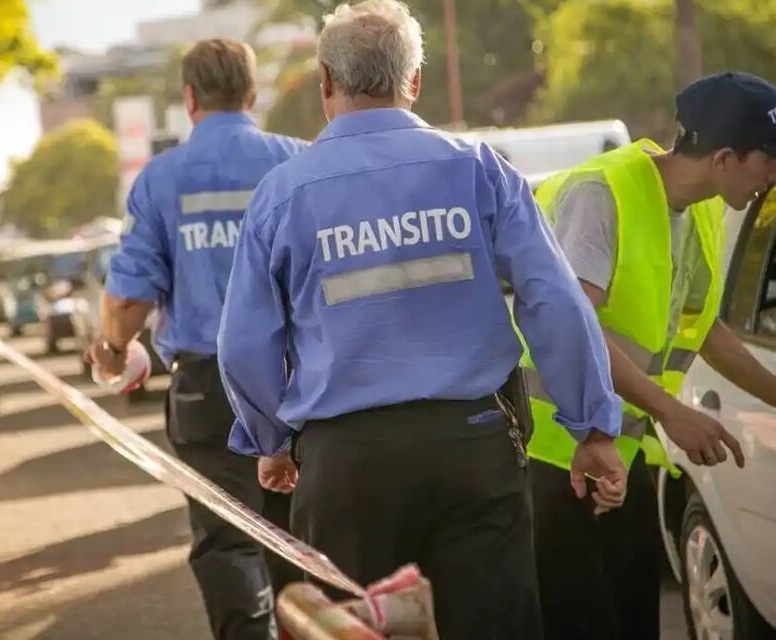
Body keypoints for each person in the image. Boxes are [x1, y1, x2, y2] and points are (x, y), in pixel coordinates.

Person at [216, 1, 627, 638]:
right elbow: (555, 301)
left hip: (345, 464)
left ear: (326, 81)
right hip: (474, 445)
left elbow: (243, 343)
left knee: (354, 631)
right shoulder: (478, 169)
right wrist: (593, 427)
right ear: (415, 82)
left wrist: (271, 438)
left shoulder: (283, 193)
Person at [526, 71, 776, 640]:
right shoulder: (601, 194)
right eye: (768, 160)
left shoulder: (704, 210)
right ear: (725, 158)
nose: (772, 176)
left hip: (620, 448)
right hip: (553, 456)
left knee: (633, 619)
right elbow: (575, 323)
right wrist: (672, 411)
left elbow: (705, 329)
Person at [85, 39, 307, 640]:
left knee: (227, 534)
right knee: (304, 534)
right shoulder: (297, 165)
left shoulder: (162, 181)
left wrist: (111, 348)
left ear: (188, 99)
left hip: (207, 388)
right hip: (304, 379)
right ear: (252, 94)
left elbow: (130, 299)